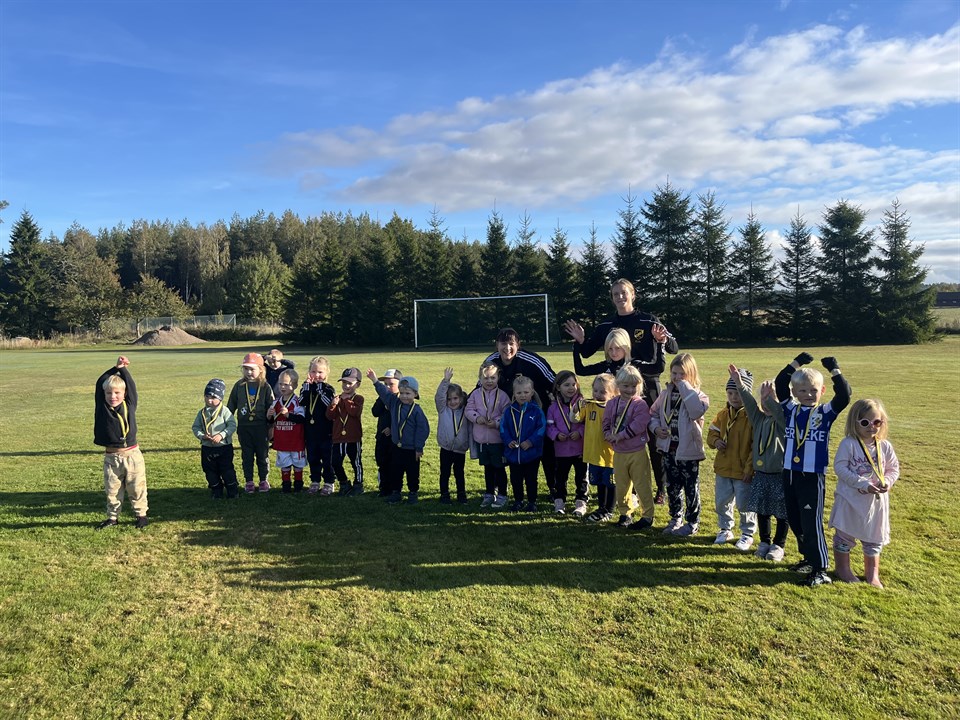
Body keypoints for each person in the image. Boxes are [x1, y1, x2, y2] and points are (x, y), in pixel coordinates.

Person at [565, 279, 679, 505]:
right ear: (612, 297)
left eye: (623, 292)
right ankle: (628, 488)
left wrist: (662, 340)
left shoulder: (649, 320)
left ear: (632, 294)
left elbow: (673, 348)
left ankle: (661, 488)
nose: (619, 297)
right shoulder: (606, 325)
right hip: (619, 393)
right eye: (615, 293)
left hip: (648, 389)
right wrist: (580, 341)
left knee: (654, 441)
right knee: (624, 439)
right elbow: (587, 353)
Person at [775, 352, 851, 588]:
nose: (808, 394)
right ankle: (808, 558)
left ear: (822, 391)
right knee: (795, 519)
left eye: (813, 390)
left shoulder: (825, 412)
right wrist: (796, 363)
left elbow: (845, 395)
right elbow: (780, 382)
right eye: (803, 390)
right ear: (795, 392)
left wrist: (834, 370)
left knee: (811, 522)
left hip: (812, 474)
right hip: (789, 471)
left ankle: (820, 569)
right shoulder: (790, 409)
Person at [829, 399, 899, 588]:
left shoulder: (884, 446)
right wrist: (862, 483)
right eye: (865, 422)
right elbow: (840, 468)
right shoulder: (849, 444)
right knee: (844, 536)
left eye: (877, 422)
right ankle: (843, 569)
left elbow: (893, 469)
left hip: (876, 503)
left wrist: (887, 482)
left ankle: (872, 574)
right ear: (855, 422)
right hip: (850, 500)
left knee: (873, 537)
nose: (871, 427)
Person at [483, 328, 557, 491]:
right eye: (503, 344)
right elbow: (481, 388)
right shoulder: (491, 361)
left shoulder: (531, 360)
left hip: (537, 416)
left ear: (518, 345)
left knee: (546, 452)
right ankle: (497, 487)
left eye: (511, 344)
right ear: (497, 345)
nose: (507, 348)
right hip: (510, 418)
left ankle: (554, 488)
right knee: (501, 450)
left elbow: (554, 381)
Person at [728, 366, 789, 562]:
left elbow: (779, 413)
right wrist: (739, 384)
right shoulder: (759, 419)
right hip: (761, 475)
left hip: (779, 475)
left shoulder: (784, 422)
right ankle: (764, 541)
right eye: (763, 399)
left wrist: (770, 399)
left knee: (782, 513)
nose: (766, 403)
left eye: (770, 399)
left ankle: (778, 545)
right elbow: (750, 404)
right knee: (762, 511)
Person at [649, 353, 709, 536]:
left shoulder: (699, 396)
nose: (677, 378)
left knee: (691, 488)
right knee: (672, 487)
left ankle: (692, 522)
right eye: (674, 373)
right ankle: (676, 518)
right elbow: (653, 414)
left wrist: (685, 387)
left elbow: (696, 412)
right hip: (669, 449)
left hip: (688, 452)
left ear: (691, 374)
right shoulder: (665, 394)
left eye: (682, 374)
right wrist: (656, 428)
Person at [93, 356, 149, 529]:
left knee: (137, 487)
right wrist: (114, 368)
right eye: (109, 393)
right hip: (112, 457)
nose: (113, 396)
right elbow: (100, 383)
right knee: (112, 489)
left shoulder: (130, 405)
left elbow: (131, 386)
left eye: (117, 393)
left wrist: (123, 370)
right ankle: (112, 518)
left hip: (132, 455)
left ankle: (141, 515)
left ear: (124, 394)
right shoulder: (102, 407)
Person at [707, 368, 757, 551]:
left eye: (738, 393)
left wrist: (749, 469)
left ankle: (747, 533)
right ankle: (725, 529)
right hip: (723, 468)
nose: (734, 397)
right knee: (722, 502)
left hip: (743, 472)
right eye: (730, 393)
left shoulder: (752, 417)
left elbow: (755, 447)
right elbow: (711, 433)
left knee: (745, 504)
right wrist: (716, 441)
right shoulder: (722, 415)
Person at [366, 370, 430, 505]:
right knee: (396, 471)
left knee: (413, 473)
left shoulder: (417, 411)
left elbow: (423, 430)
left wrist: (419, 448)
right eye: (402, 393)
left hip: (412, 449)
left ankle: (413, 494)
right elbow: (385, 393)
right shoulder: (395, 404)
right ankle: (396, 493)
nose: (404, 396)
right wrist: (375, 381)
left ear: (415, 394)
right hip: (396, 447)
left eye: (408, 393)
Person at [602, 365, 654, 530]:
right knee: (622, 485)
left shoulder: (640, 404)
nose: (630, 390)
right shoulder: (612, 403)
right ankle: (625, 514)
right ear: (617, 385)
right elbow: (606, 421)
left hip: (637, 451)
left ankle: (647, 516)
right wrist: (607, 433)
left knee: (642, 485)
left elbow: (638, 425)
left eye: (634, 386)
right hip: (619, 452)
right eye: (626, 386)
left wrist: (620, 436)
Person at [227, 352, 275, 494]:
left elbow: (272, 407)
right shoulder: (239, 386)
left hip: (261, 427)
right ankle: (249, 481)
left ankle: (263, 480)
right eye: (246, 369)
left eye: (252, 369)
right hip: (244, 428)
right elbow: (230, 406)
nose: (249, 372)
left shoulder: (265, 386)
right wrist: (225, 422)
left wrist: (271, 420)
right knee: (247, 456)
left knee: (262, 455)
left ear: (261, 369)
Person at [465, 362, 511, 509]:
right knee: (488, 469)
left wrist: (497, 422)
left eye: (493, 378)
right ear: (480, 378)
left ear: (498, 378)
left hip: (497, 440)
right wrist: (476, 418)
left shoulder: (503, 396)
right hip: (482, 440)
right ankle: (489, 494)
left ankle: (502, 494)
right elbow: (468, 409)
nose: (489, 381)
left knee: (499, 468)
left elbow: (507, 414)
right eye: (486, 378)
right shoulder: (475, 394)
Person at [499, 375, 546, 512]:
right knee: (516, 480)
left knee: (531, 479)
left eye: (526, 392)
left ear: (532, 392)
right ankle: (518, 501)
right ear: (514, 393)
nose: (523, 395)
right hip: (514, 454)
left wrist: (531, 442)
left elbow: (541, 428)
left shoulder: (537, 411)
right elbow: (503, 428)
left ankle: (532, 502)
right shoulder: (509, 411)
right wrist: (508, 441)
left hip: (531, 454)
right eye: (519, 392)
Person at [546, 371, 587, 516]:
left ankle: (581, 501)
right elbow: (549, 426)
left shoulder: (582, 404)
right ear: (558, 387)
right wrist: (556, 435)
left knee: (581, 477)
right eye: (566, 385)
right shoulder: (553, 407)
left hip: (580, 449)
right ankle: (559, 500)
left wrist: (580, 432)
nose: (571, 388)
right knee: (560, 478)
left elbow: (588, 424)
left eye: (574, 384)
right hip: (561, 450)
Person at [191, 378, 239, 499]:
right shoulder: (202, 413)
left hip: (224, 447)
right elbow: (196, 427)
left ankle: (232, 490)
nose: (209, 400)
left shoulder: (225, 411)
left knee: (227, 470)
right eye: (207, 396)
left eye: (213, 397)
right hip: (207, 447)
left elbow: (232, 425)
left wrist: (221, 435)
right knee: (210, 471)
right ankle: (216, 490)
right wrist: (202, 436)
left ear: (220, 398)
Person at [580, 374, 617, 522]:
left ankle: (610, 510)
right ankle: (601, 507)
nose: (597, 394)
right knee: (600, 483)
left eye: (602, 392)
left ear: (613, 393)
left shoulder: (614, 409)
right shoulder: (589, 406)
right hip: (594, 454)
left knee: (611, 483)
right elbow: (575, 418)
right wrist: (577, 407)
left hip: (610, 455)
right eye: (595, 391)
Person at [299, 356, 336, 496]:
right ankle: (315, 480)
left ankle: (329, 482)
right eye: (313, 371)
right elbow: (301, 401)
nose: (317, 375)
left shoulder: (328, 388)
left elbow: (328, 403)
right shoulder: (306, 388)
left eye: (320, 372)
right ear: (309, 372)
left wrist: (320, 388)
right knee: (313, 457)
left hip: (326, 431)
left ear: (326, 373)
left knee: (327, 458)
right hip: (310, 431)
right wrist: (307, 387)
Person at [267, 369, 307, 493]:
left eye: (286, 384)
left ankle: (298, 485)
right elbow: (271, 421)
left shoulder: (298, 402)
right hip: (282, 440)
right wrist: (269, 415)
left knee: (298, 464)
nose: (282, 387)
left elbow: (301, 419)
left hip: (296, 441)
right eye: (280, 384)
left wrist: (288, 415)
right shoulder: (276, 402)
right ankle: (286, 485)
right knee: (284, 464)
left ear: (294, 385)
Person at [435, 368, 471, 504]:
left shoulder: (466, 411)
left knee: (459, 473)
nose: (452, 402)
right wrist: (446, 381)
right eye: (449, 399)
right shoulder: (443, 409)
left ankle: (461, 494)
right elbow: (439, 396)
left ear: (461, 398)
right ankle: (444, 494)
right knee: (444, 472)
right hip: (445, 448)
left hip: (460, 449)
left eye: (455, 398)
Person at [327, 367, 365, 495]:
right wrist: (333, 404)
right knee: (335, 462)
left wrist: (346, 400)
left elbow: (354, 412)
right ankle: (344, 483)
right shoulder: (337, 398)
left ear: (357, 384)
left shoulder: (358, 399)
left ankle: (358, 484)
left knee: (356, 462)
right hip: (338, 437)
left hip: (353, 437)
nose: (346, 386)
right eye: (344, 382)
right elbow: (329, 416)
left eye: (350, 383)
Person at [371, 369, 402, 496]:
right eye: (385, 384)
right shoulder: (382, 398)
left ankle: (394, 489)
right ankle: (384, 488)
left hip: (395, 440)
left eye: (391, 384)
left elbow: (402, 419)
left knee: (394, 464)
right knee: (382, 462)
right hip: (381, 437)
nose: (388, 387)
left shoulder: (401, 400)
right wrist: (381, 399)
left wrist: (391, 428)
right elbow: (375, 412)